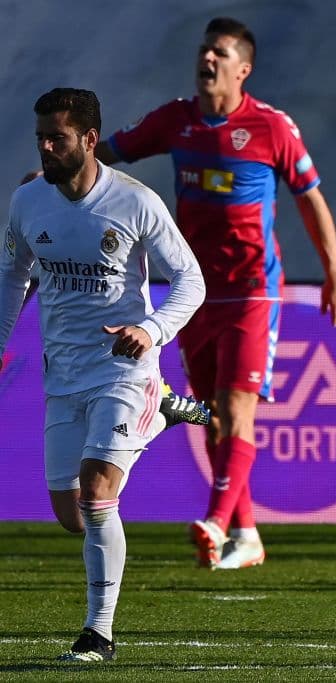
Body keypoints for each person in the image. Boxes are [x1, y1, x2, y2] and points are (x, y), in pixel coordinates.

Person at [96, 17, 336, 570]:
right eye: (204, 51)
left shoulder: (271, 127)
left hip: (254, 290)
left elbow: (311, 199)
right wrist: (56, 173)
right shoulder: (174, 120)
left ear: (243, 69)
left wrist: (334, 268)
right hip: (195, 292)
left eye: (219, 53)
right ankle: (248, 533)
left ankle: (214, 521)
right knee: (214, 416)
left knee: (237, 410)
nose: (207, 60)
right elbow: (108, 155)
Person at [0, 88, 207, 661]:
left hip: (124, 368)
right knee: (70, 516)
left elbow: (191, 281)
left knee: (97, 497)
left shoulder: (135, 202)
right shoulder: (27, 201)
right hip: (61, 376)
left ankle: (99, 631)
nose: (45, 146)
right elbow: (13, 274)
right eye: (40, 135)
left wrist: (154, 329)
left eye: (57, 137)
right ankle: (164, 414)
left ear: (90, 139)